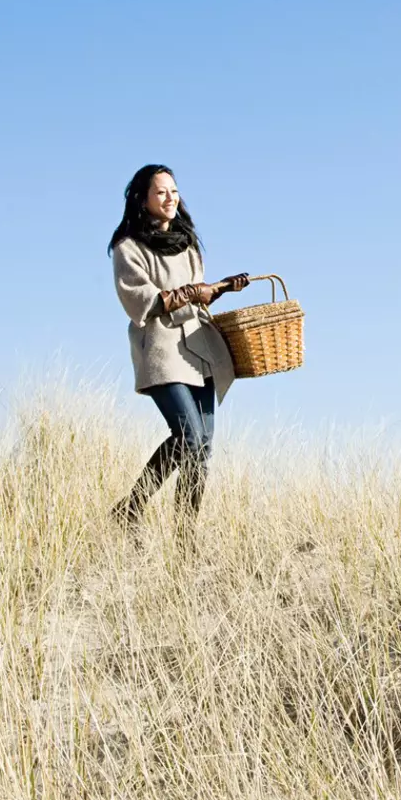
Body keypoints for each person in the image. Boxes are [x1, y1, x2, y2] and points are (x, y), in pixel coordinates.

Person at [108, 164, 250, 528]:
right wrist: (193, 293)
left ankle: (185, 540)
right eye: (161, 192)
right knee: (188, 436)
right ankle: (132, 506)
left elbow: (196, 298)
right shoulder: (128, 247)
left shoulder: (187, 243)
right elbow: (142, 302)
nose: (170, 197)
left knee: (202, 448)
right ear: (143, 199)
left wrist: (219, 289)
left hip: (200, 349)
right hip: (161, 350)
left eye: (173, 190)